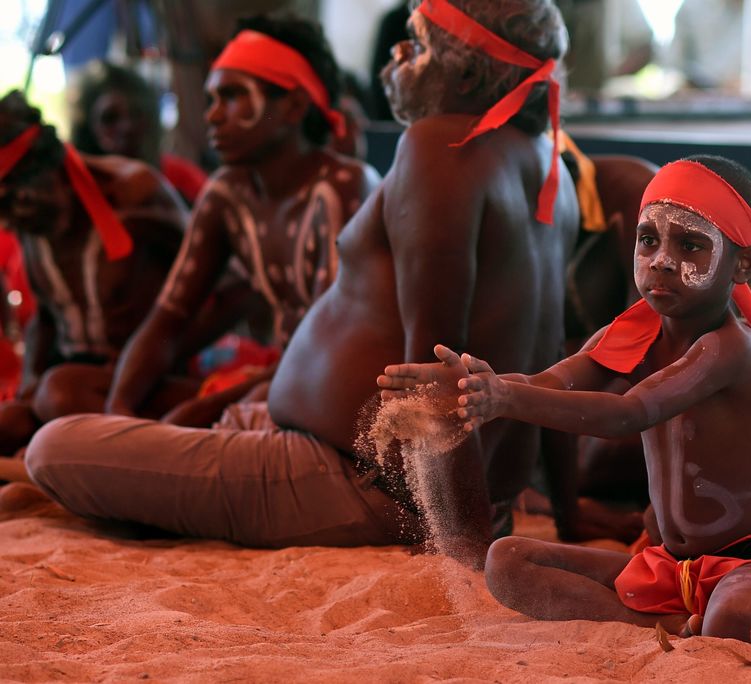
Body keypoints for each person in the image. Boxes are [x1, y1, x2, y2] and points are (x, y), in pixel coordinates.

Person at [23, 0, 585, 559]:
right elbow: (555, 360)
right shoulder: (550, 168)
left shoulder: (439, 146)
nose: (398, 55)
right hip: (370, 466)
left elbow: (434, 367)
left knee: (54, 449)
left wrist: (460, 538)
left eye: (417, 44)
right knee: (92, 410)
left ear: (466, 74)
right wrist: (569, 515)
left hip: (356, 477)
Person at [380, 155, 751, 652]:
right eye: (648, 240)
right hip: (670, 565)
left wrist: (503, 398)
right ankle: (674, 624)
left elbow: (630, 413)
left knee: (738, 622)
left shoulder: (730, 347)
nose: (662, 261)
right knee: (507, 561)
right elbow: (552, 382)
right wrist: (475, 384)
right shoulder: (635, 331)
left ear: (742, 264)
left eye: (690, 245)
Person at [32, 15, 379, 429]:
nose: (212, 116)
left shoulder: (342, 186)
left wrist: (204, 410)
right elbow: (168, 319)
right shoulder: (226, 193)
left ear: (293, 106)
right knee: (64, 390)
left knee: (247, 408)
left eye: (231, 96)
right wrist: (120, 409)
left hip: (325, 393)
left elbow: (325, 347)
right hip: (271, 383)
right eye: (211, 99)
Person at [0, 90, 189, 461]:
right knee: (9, 421)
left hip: (149, 381)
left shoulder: (134, 192)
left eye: (10, 201)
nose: (6, 223)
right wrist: (28, 386)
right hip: (72, 380)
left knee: (60, 394)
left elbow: (233, 287)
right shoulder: (31, 216)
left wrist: (151, 359)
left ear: (48, 170)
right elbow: (48, 317)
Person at [67, 60, 208, 206]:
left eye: (136, 114)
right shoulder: (74, 192)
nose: (127, 127)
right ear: (87, 128)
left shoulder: (181, 177)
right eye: (110, 118)